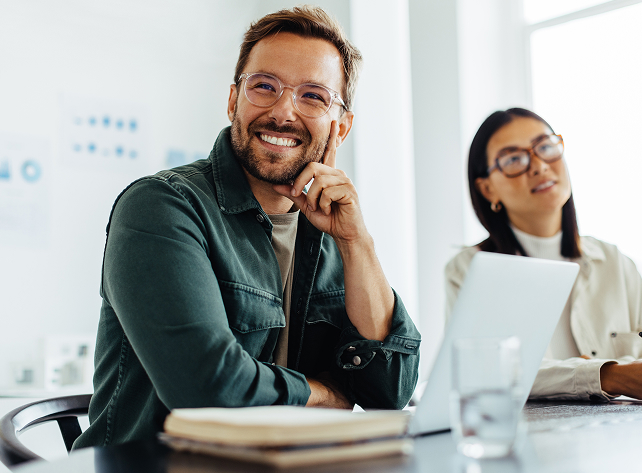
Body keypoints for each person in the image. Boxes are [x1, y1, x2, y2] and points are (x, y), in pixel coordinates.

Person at [73, 6, 421, 449]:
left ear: (342, 126)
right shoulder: (161, 207)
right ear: (234, 100)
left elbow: (391, 390)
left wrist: (356, 242)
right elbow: (208, 389)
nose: (283, 112)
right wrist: (326, 394)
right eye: (264, 87)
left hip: (288, 472)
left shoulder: (333, 230)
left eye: (313, 96)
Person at [445, 107, 642, 402]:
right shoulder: (468, 270)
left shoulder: (613, 262)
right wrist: (609, 376)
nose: (539, 166)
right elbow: (486, 373)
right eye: (514, 159)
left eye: (545, 147)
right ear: (487, 189)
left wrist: (567, 375)